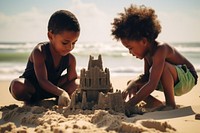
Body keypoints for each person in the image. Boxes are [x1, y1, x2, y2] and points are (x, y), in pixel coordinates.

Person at [111, 4, 198, 116]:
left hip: (187, 79)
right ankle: (157, 104)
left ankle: (170, 104)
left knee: (165, 67)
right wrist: (131, 85)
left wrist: (129, 105)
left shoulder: (161, 49)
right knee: (134, 84)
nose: (130, 53)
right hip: (172, 81)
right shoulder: (147, 54)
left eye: (130, 48)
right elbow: (146, 77)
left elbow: (152, 84)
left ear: (143, 41)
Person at [9, 10, 80, 107]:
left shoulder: (70, 59)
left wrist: (80, 79)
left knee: (77, 83)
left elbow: (72, 79)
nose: (70, 47)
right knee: (17, 86)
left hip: (54, 88)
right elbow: (42, 81)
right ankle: (30, 102)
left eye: (74, 43)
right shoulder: (40, 52)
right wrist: (61, 93)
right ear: (50, 36)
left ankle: (59, 100)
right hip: (33, 88)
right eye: (65, 43)